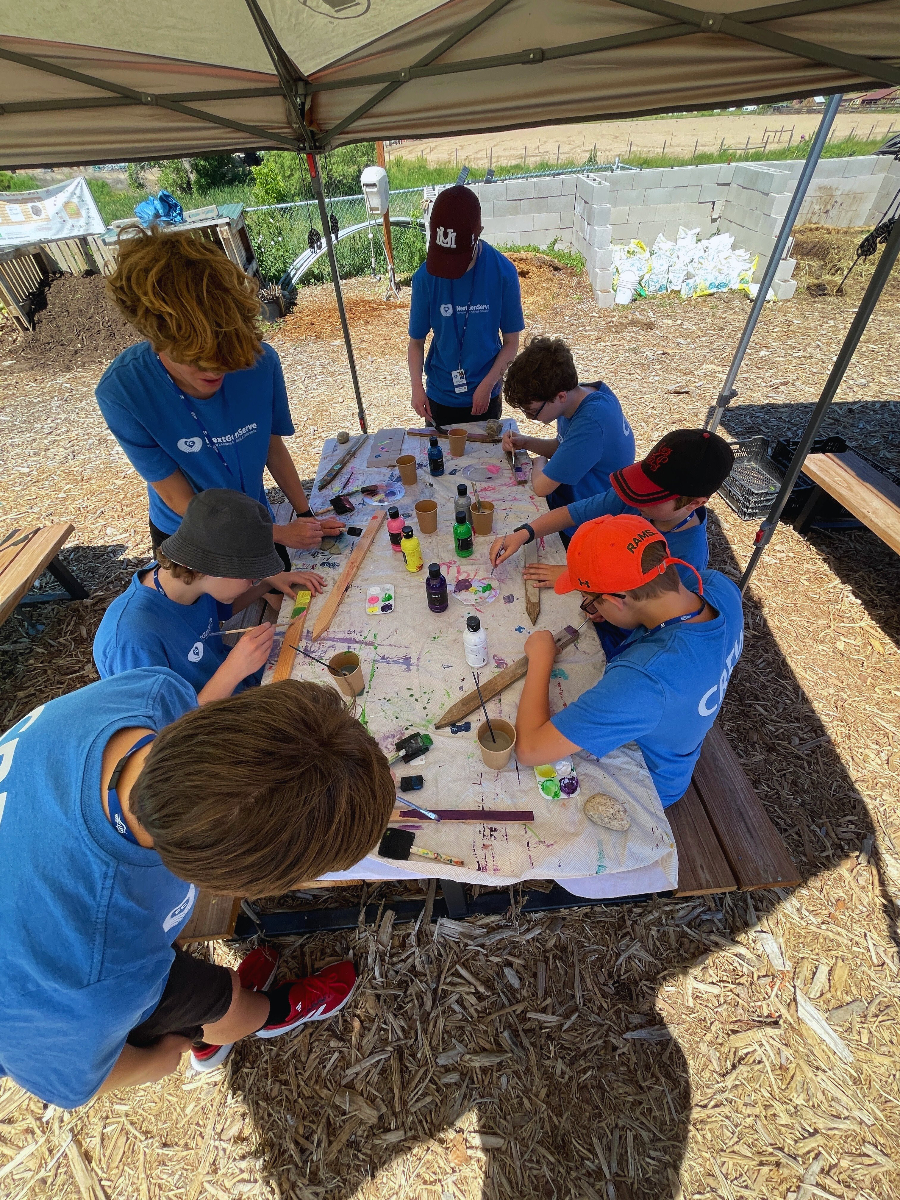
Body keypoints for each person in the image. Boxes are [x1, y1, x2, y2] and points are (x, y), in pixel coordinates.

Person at [0, 670, 395, 1107]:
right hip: (45, 981)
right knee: (222, 1003)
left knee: (205, 993)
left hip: (59, 900)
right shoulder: (96, 977)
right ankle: (271, 1015)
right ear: (230, 882)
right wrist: (159, 1059)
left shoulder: (154, 696)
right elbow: (67, 1079)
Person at [97, 226, 342, 562]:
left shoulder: (260, 361)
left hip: (255, 517)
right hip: (188, 532)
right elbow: (178, 498)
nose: (215, 372)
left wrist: (304, 515)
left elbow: (271, 445)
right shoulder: (124, 392)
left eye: (227, 360)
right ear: (157, 339)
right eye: (198, 361)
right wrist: (279, 534)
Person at [514, 514, 744, 809]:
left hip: (647, 782)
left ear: (616, 599)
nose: (591, 607)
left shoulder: (643, 680)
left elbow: (529, 749)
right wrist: (619, 614)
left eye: (591, 600)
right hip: (675, 741)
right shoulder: (720, 586)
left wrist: (541, 658)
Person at [489, 428, 734, 659]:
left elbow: (654, 623)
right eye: (640, 485)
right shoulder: (637, 496)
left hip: (627, 638)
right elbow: (576, 512)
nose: (633, 498)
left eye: (648, 496)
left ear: (694, 503)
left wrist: (593, 591)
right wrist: (525, 533)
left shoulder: (687, 557)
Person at [94, 490, 325, 701]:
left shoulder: (185, 578)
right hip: (206, 727)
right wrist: (232, 671)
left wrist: (266, 583)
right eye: (249, 576)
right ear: (208, 568)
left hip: (235, 684)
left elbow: (219, 612)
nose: (252, 581)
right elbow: (164, 737)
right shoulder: (132, 643)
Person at [408, 185, 524, 427]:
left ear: (478, 233)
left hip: (485, 394)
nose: (450, 269)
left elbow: (512, 342)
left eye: (457, 259)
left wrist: (488, 384)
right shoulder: (425, 278)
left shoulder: (503, 272)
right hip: (440, 396)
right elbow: (416, 343)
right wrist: (417, 388)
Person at [500, 336, 635, 532]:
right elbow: (563, 447)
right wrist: (526, 442)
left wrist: (539, 462)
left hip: (591, 519)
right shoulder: (581, 396)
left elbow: (542, 487)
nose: (529, 418)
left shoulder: (591, 422)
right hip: (579, 497)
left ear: (560, 396)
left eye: (532, 411)